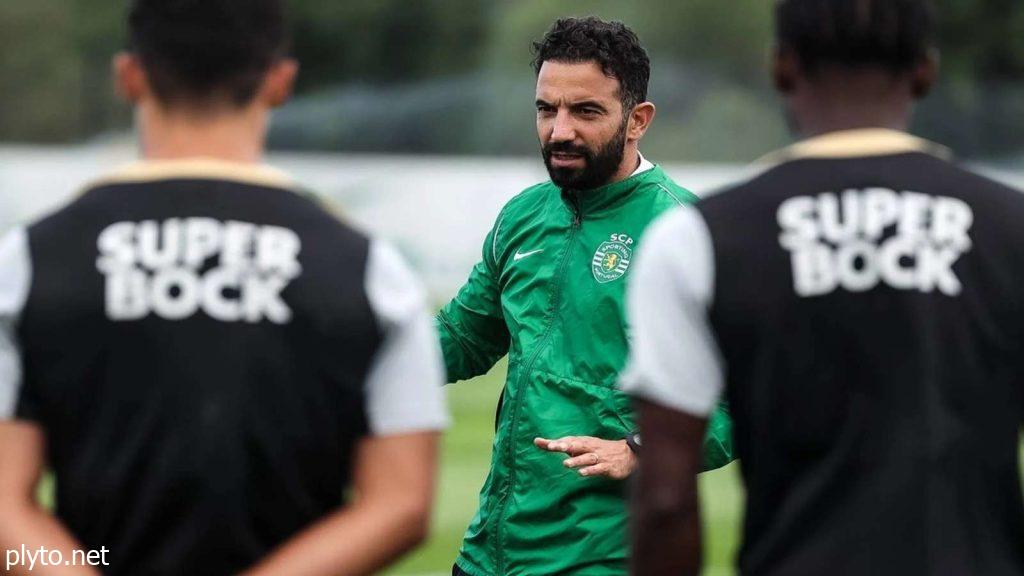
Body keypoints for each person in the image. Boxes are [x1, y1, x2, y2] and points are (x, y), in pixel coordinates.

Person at [0, 1, 448, 575]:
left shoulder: (31, 260)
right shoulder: (369, 270)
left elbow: (8, 507)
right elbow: (401, 504)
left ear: (128, 77)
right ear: (280, 81)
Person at [624, 0, 1024, 575]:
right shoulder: (1010, 227)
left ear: (782, 67)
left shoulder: (697, 237)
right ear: (925, 71)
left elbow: (664, 499)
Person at [437, 16, 734, 576]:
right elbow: (463, 336)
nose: (560, 130)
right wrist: (357, 355)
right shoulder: (523, 215)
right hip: (490, 553)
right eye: (546, 109)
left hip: (602, 557)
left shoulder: (687, 230)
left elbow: (746, 391)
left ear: (638, 119)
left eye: (586, 111)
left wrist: (640, 449)